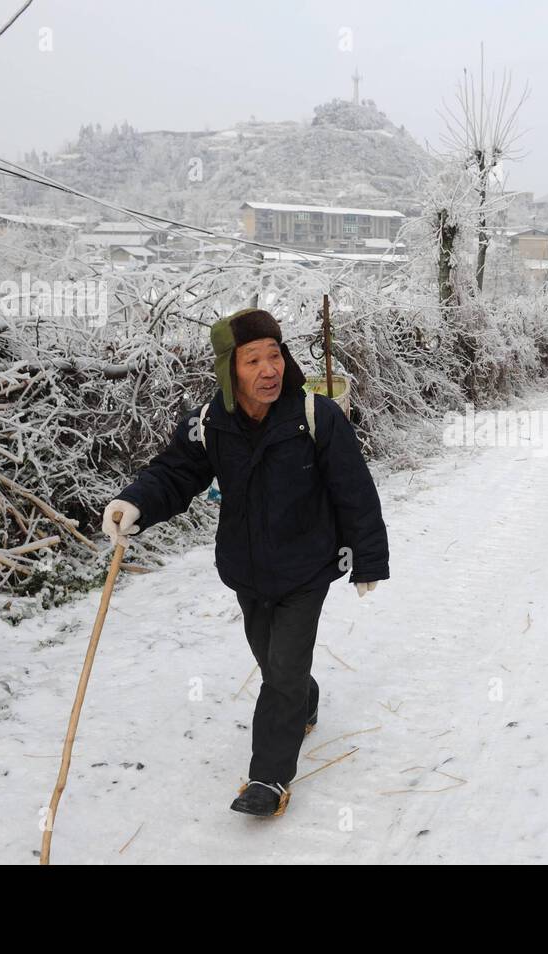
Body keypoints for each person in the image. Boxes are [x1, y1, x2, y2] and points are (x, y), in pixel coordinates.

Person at [101, 307, 390, 818]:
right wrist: (136, 503)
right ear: (229, 371)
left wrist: (367, 560)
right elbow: (174, 473)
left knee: (281, 671)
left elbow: (355, 492)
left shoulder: (314, 417)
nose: (268, 369)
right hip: (247, 569)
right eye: (252, 359)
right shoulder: (209, 423)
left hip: (307, 568)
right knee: (271, 656)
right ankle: (305, 699)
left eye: (274, 355)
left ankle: (269, 778)